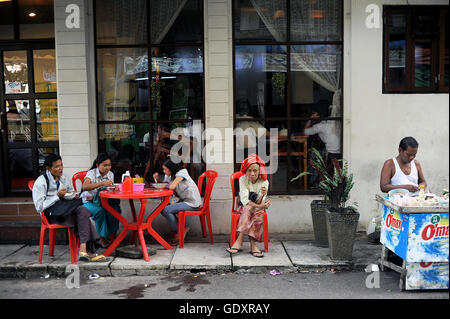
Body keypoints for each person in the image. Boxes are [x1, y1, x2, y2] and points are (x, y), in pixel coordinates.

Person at [32, 154, 107, 262]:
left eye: (61, 165)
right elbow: (39, 207)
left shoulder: (64, 177)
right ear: (48, 168)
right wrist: (56, 196)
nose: (60, 169)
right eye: (57, 167)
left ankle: (83, 248)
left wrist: (72, 195)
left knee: (83, 210)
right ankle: (88, 251)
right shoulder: (41, 182)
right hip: (52, 214)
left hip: (66, 208)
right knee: (82, 218)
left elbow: (71, 192)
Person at [226, 154, 271, 258]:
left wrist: (263, 195)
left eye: (255, 170)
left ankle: (239, 241)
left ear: (259, 171)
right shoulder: (243, 179)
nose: (252, 173)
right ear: (246, 171)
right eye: (249, 170)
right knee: (249, 208)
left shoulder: (264, 182)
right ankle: (253, 245)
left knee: (253, 211)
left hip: (255, 208)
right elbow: (245, 200)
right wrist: (261, 206)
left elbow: (260, 202)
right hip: (243, 206)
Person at [153, 157, 203, 246]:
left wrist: (166, 180)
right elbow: (166, 185)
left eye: (165, 169)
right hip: (184, 201)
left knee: (166, 210)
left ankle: (180, 231)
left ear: (171, 168)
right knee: (163, 208)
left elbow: (171, 186)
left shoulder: (182, 173)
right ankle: (182, 228)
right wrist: (157, 179)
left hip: (192, 203)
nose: (164, 171)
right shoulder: (171, 176)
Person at [81, 153, 121, 248]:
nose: (107, 168)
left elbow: (109, 189)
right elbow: (85, 186)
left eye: (109, 165)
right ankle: (102, 238)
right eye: (105, 165)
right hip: (89, 201)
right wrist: (102, 183)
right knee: (100, 212)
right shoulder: (91, 173)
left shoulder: (110, 174)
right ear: (97, 165)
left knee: (115, 211)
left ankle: (112, 237)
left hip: (103, 201)